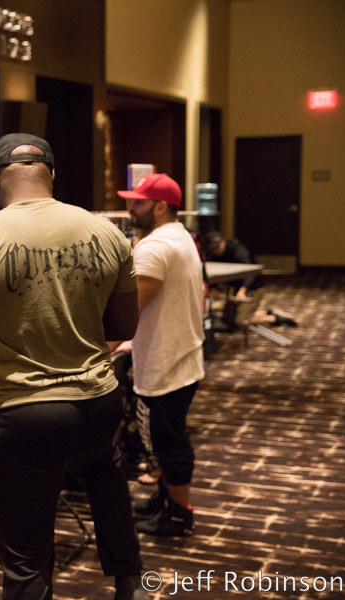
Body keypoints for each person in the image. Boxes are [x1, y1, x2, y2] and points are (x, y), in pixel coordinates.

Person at [0, 133, 148, 600]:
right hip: (98, 403)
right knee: (105, 472)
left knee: (26, 564)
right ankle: (130, 580)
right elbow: (123, 325)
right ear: (52, 174)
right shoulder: (109, 233)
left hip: (25, 415)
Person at [117, 173, 204, 537]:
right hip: (181, 355)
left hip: (165, 361)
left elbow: (130, 313)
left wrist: (103, 346)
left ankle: (179, 513)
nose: (130, 208)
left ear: (160, 206)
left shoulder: (154, 247)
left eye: (138, 202)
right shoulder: (180, 237)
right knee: (165, 437)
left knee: (168, 442)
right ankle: (166, 499)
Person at [203, 231, 297, 327]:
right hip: (236, 290)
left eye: (217, 247)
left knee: (241, 321)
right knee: (229, 320)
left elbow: (250, 273)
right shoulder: (214, 255)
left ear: (223, 242)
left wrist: (243, 290)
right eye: (213, 249)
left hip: (252, 288)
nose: (216, 251)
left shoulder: (237, 250)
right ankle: (267, 313)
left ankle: (275, 318)